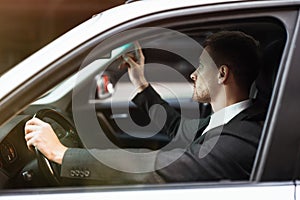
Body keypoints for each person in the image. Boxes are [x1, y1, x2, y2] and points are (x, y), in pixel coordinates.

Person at [24, 31, 266, 184]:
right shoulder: (221, 121)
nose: (193, 74)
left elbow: (155, 166)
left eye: (201, 67)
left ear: (222, 74)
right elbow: (174, 126)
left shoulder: (240, 138)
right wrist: (140, 83)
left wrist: (61, 154)